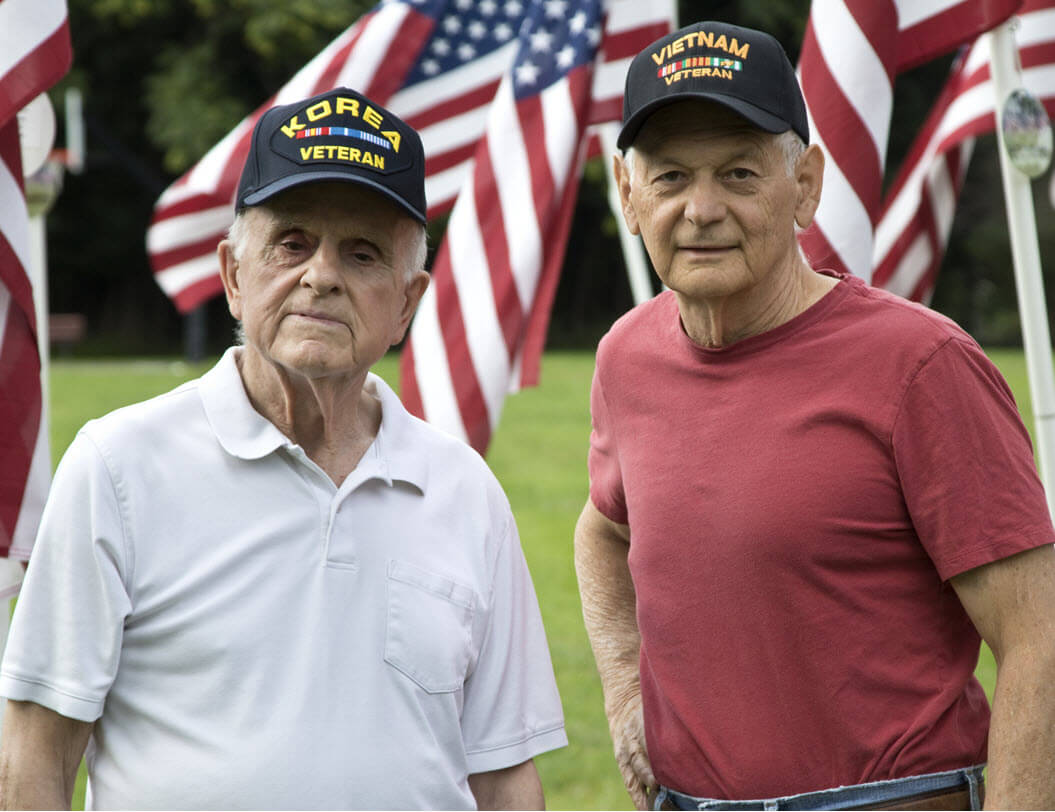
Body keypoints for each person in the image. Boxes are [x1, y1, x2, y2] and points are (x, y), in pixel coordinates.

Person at [0, 87, 567, 810]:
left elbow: (503, 776)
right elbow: (35, 753)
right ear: (234, 276)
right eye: (292, 243)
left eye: (361, 254)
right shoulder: (119, 466)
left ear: (406, 303)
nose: (321, 275)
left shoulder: (464, 491)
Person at [575, 20, 1055, 812]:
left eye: (737, 173)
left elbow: (1037, 641)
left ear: (804, 184)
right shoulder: (626, 356)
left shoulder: (922, 366)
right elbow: (602, 530)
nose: (700, 209)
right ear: (627, 196)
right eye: (668, 178)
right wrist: (626, 690)